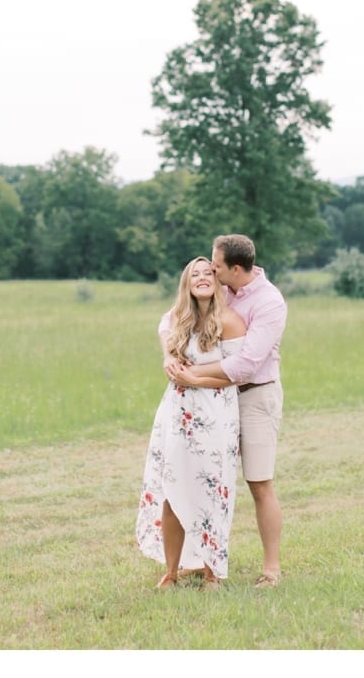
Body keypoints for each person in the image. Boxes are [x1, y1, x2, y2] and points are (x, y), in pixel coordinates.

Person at [165, 233, 286, 588]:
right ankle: (192, 560)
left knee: (259, 482)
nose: (211, 272)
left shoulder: (269, 303)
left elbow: (246, 365)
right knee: (201, 477)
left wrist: (192, 375)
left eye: (216, 267)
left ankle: (271, 569)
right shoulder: (223, 288)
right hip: (214, 401)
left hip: (254, 395)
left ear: (235, 269)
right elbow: (170, 317)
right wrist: (169, 357)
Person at [136, 256, 245, 590]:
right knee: (172, 488)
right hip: (176, 415)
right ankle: (172, 569)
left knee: (212, 490)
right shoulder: (176, 319)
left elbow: (234, 374)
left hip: (216, 413)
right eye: (193, 274)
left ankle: (212, 570)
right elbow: (165, 341)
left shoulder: (230, 321)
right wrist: (169, 359)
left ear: (216, 281)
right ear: (186, 283)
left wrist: (195, 379)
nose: (201, 277)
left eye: (206, 273)